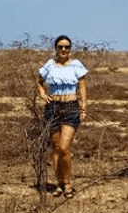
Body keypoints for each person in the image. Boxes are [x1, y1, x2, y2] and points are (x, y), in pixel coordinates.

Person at [36, 35, 88, 198]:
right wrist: (43, 94)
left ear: (70, 48)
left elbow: (82, 86)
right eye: (60, 47)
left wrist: (83, 107)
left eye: (67, 47)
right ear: (56, 48)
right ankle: (59, 184)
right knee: (56, 148)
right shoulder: (50, 65)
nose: (64, 50)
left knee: (65, 148)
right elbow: (39, 81)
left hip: (70, 108)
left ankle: (67, 184)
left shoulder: (76, 65)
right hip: (53, 108)